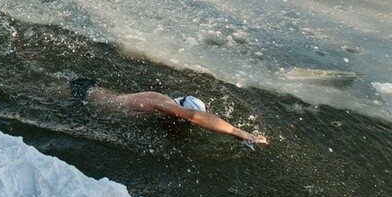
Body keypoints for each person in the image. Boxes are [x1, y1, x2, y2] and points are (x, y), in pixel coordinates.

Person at [69, 78, 268, 144]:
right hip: (83, 96)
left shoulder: (163, 106)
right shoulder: (164, 104)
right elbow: (195, 116)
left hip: (92, 98)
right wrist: (241, 133)